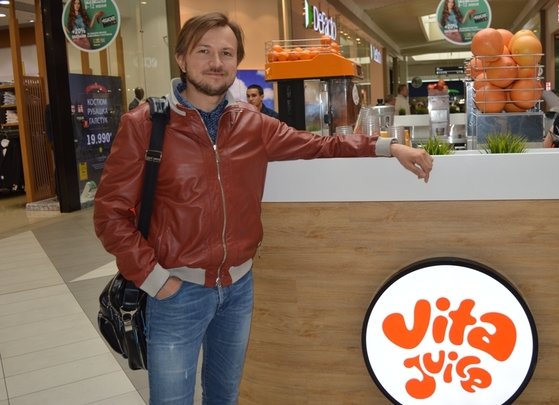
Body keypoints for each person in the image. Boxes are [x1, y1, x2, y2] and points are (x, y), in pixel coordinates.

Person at [93, 12, 432, 405]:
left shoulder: (252, 124)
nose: (216, 62)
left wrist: (388, 146)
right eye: (204, 51)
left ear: (236, 62)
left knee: (225, 397)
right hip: (175, 291)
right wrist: (154, 279)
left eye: (226, 53)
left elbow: (320, 145)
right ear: (182, 59)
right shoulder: (145, 125)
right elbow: (110, 214)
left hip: (237, 289)